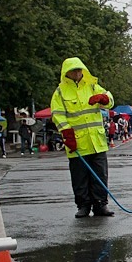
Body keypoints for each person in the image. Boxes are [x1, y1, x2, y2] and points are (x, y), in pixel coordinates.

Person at [50, 57, 115, 218]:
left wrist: (104, 99)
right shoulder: (60, 92)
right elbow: (57, 114)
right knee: (79, 177)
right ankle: (83, 205)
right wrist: (66, 132)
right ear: (67, 73)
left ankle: (100, 204)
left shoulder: (92, 86)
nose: (77, 73)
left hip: (96, 141)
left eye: (79, 70)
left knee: (100, 175)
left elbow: (110, 100)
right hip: (76, 142)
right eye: (74, 71)